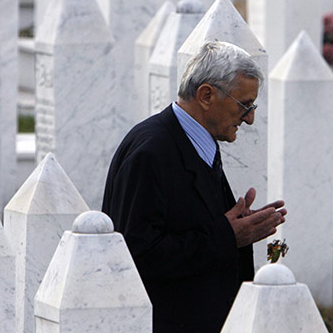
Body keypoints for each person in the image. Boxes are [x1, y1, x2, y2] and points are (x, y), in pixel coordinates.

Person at [102, 41, 287, 332]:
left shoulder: (196, 141)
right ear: (206, 95)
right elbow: (136, 255)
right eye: (244, 105)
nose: (250, 118)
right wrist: (228, 235)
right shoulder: (151, 152)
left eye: (252, 107)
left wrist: (239, 225)